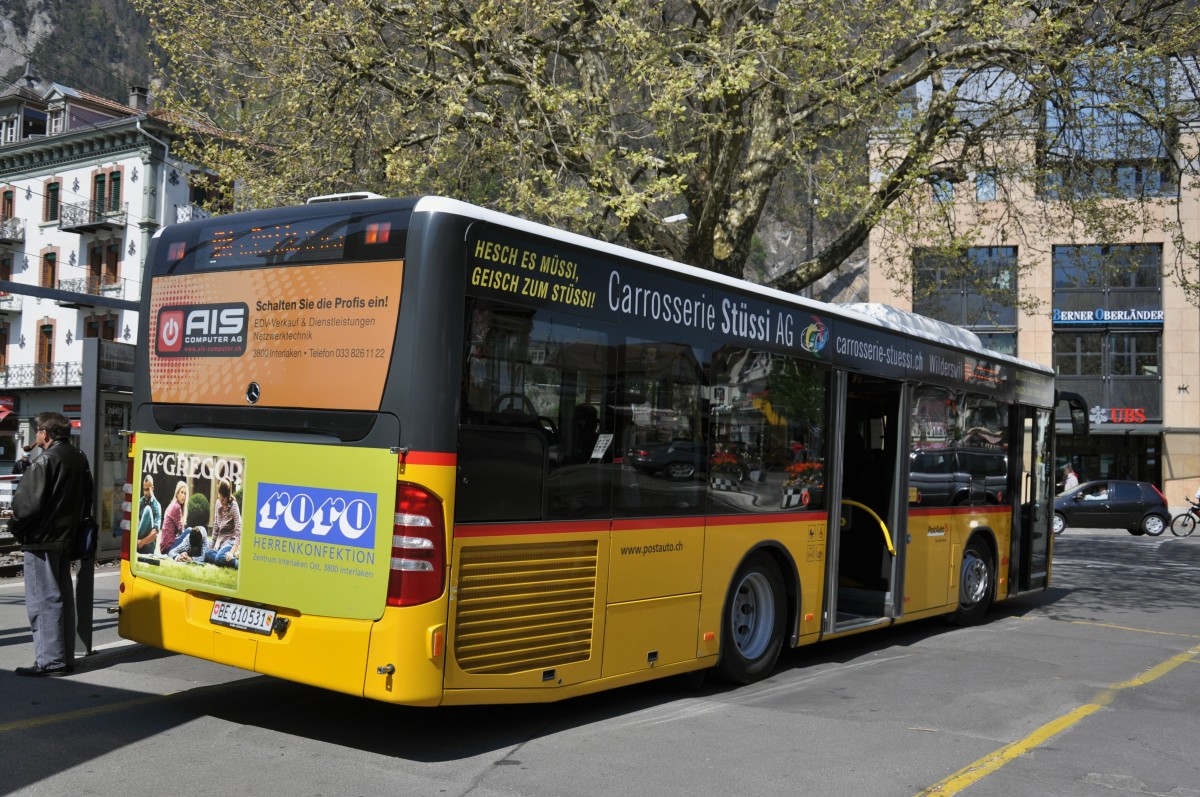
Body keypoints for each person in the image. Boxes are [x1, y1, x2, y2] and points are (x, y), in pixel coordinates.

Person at [8, 412, 91, 677]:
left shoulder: (45, 460)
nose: (36, 436)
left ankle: (49, 661)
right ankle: (64, 658)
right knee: (63, 596)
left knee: (43, 600)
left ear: (45, 433)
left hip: (42, 539)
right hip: (67, 537)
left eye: (37, 431)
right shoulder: (78, 457)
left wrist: (16, 528)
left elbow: (25, 506)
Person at [204, 478, 241, 568]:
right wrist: (212, 546)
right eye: (219, 499)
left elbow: (238, 531)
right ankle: (223, 556)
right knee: (206, 554)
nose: (221, 502)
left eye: (223, 500)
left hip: (231, 542)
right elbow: (216, 526)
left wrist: (232, 552)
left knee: (218, 559)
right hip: (222, 544)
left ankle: (237, 562)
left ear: (228, 496)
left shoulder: (233, 506)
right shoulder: (218, 503)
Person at [158, 480, 188, 555]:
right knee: (190, 531)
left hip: (164, 548)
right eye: (181, 492)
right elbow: (181, 530)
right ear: (177, 493)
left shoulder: (173, 505)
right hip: (168, 547)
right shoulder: (176, 507)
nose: (183, 496)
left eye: (185, 493)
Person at [136, 475, 162, 554]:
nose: (145, 493)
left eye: (148, 490)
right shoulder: (140, 502)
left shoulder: (157, 505)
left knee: (147, 510)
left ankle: (134, 543)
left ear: (152, 488)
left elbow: (155, 533)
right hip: (138, 542)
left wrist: (141, 542)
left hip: (149, 545)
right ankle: (135, 543)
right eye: (144, 490)